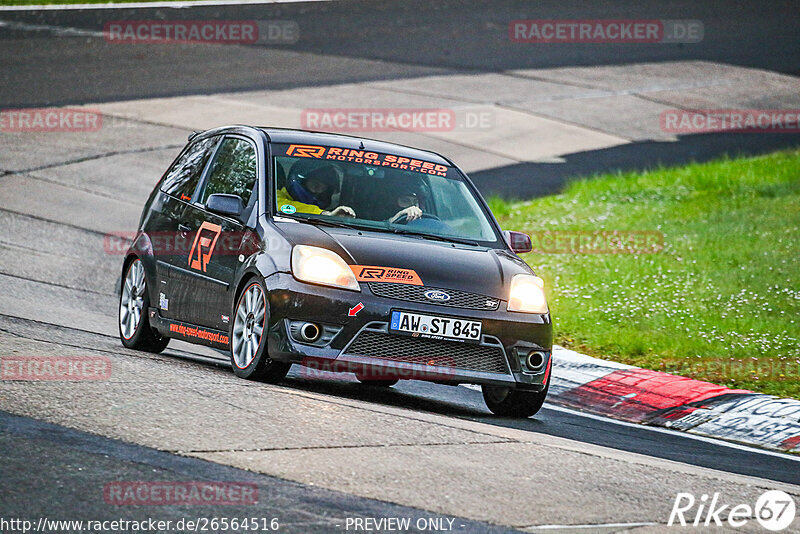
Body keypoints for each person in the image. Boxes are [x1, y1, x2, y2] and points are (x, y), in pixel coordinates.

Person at [276, 164, 355, 217]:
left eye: (325, 188)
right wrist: (324, 214)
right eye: (315, 184)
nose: (318, 191)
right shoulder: (276, 197)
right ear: (301, 181)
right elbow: (282, 206)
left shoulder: (327, 208)